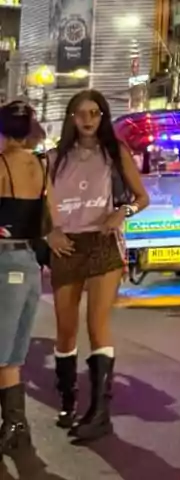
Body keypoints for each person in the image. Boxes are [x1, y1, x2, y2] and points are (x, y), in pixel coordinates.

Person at [48, 90, 149, 441]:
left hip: (103, 244)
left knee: (97, 324)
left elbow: (142, 197)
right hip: (66, 246)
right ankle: (67, 400)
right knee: (65, 328)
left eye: (95, 112)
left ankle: (100, 411)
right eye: (81, 113)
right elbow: (39, 205)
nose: (88, 119)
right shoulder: (54, 158)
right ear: (71, 119)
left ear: (103, 117)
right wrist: (50, 233)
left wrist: (124, 212)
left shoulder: (115, 153)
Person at [0, 102, 72, 455]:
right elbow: (52, 220)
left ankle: (14, 425)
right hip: (30, 264)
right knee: (11, 355)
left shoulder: (2, 165)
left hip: (4, 260)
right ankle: (16, 426)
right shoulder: (42, 166)